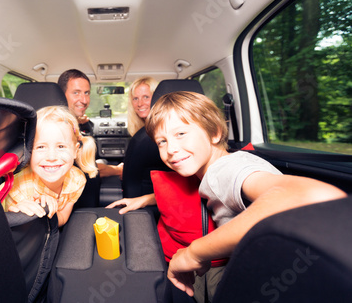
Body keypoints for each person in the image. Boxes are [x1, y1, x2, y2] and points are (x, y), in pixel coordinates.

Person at [143, 91, 346, 301]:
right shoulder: (233, 160)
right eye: (161, 142)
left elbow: (309, 195)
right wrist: (149, 198)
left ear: (215, 133)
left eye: (181, 134)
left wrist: (192, 253)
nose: (171, 149)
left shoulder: (221, 171)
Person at [0, 105, 98, 226]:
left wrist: (48, 215)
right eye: (41, 147)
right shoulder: (19, 188)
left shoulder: (77, 179)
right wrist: (20, 214)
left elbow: (63, 218)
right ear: (29, 152)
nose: (51, 157)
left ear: (75, 151)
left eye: (61, 147)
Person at [58, 68, 123, 178]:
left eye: (86, 93)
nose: (84, 100)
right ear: (62, 94)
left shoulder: (71, 123)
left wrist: (80, 123)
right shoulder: (60, 129)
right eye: (76, 93)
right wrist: (118, 170)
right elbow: (88, 169)